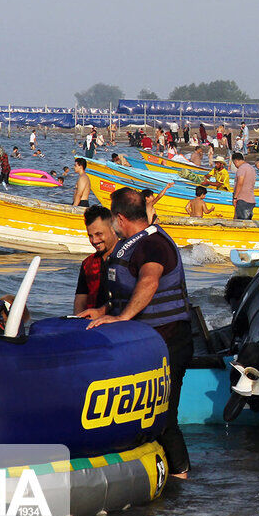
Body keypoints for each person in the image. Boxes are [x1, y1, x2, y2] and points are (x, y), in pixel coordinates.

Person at [81, 188, 191, 478]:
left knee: (164, 418)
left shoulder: (153, 244)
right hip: (145, 342)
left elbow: (149, 281)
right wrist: (104, 311)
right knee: (143, 418)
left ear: (119, 218)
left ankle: (183, 479)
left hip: (169, 339)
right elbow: (124, 292)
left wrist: (123, 317)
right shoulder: (131, 244)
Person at [73, 205, 116, 315]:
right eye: (90, 236)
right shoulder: (87, 264)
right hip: (91, 325)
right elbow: (80, 300)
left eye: (99, 234)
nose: (94, 240)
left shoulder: (127, 258)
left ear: (113, 229)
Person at [231, 153, 257, 220]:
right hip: (251, 199)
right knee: (247, 222)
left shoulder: (241, 168)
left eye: (234, 163)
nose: (235, 166)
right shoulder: (251, 168)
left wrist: (235, 197)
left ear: (236, 160)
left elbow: (240, 183)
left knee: (240, 222)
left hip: (242, 199)